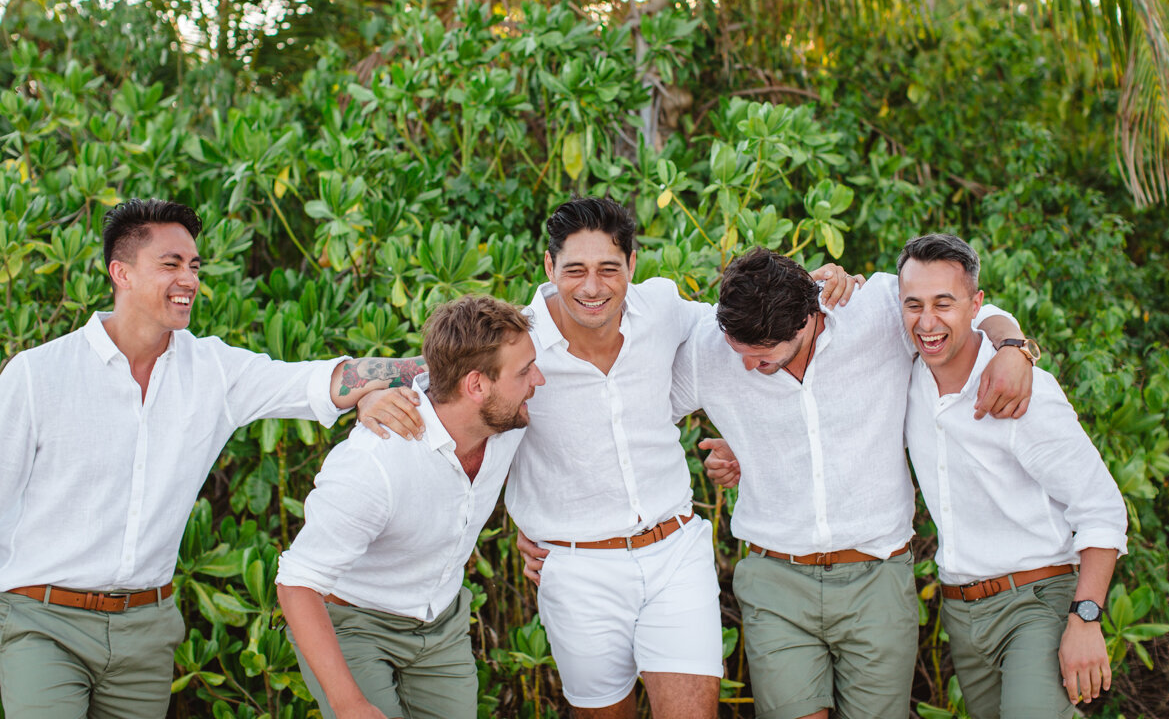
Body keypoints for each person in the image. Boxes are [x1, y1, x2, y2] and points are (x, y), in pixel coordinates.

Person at [385, 197, 858, 718]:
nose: (592, 288)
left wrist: (827, 287)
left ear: (632, 264)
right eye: (575, 270)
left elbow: (746, 344)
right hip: (575, 567)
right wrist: (365, 394)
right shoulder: (515, 346)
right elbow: (448, 385)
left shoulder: (661, 309)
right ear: (549, 267)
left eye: (609, 268)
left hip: (674, 550)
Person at [0, 199, 420, 719]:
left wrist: (432, 370)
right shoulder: (36, 375)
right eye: (171, 264)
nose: (190, 280)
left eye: (195, 266)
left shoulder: (214, 371)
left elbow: (321, 380)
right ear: (121, 273)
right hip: (42, 622)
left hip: (146, 632)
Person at [674, 246, 1034, 719]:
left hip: (878, 579)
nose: (744, 367)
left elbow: (974, 310)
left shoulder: (876, 308)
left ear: (806, 320)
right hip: (775, 580)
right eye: (739, 353)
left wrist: (1014, 349)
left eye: (761, 359)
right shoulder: (710, 347)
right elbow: (637, 409)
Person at [276, 295, 544, 719]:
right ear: (475, 385)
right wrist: (349, 705)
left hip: (442, 622)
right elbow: (296, 584)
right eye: (526, 371)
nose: (540, 379)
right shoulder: (375, 462)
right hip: (352, 624)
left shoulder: (507, 417)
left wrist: (539, 524)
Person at [897, 233, 1126, 718]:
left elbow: (1102, 509)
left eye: (945, 303)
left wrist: (1085, 619)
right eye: (913, 304)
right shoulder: (908, 376)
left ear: (975, 304)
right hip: (962, 613)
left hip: (1035, 604)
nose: (927, 321)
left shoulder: (1025, 393)